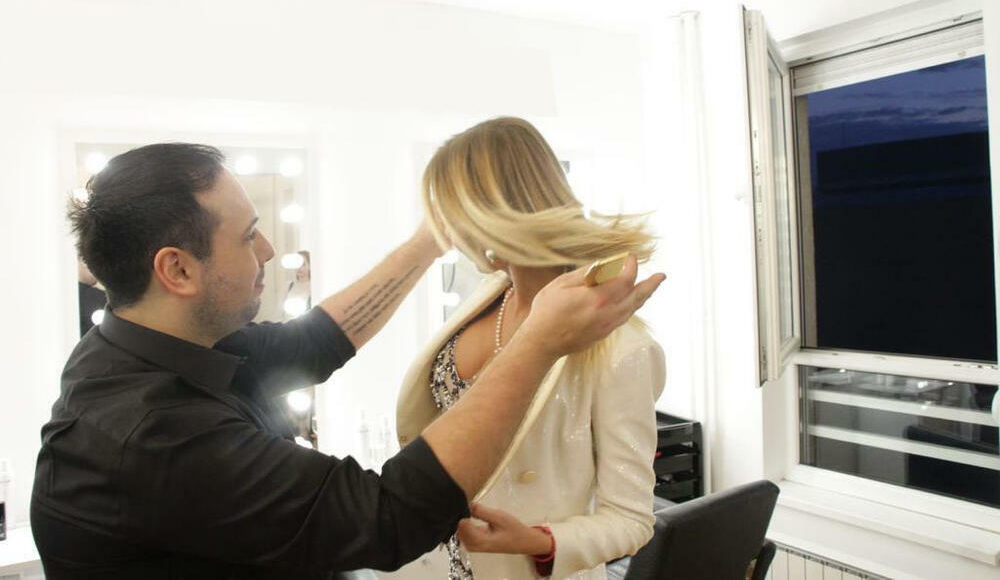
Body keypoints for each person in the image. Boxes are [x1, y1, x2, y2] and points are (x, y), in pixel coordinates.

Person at [30, 143, 664, 579]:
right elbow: (388, 516)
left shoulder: (149, 345)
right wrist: (538, 344)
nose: (269, 249)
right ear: (177, 270)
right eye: (247, 235)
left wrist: (428, 241)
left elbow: (314, 343)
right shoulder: (152, 437)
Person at [396, 117, 666, 579]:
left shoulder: (620, 348)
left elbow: (631, 519)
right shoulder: (485, 298)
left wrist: (535, 542)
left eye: (452, 210)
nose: (446, 230)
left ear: (489, 210)